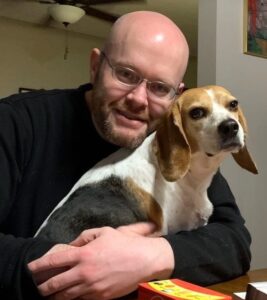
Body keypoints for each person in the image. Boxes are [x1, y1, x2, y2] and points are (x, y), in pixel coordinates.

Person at [0, 10, 251, 300]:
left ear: (175, 96)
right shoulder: (16, 122)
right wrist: (79, 265)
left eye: (159, 87)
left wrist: (152, 256)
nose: (138, 99)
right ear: (95, 66)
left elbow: (234, 242)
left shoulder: (178, 141)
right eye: (126, 74)